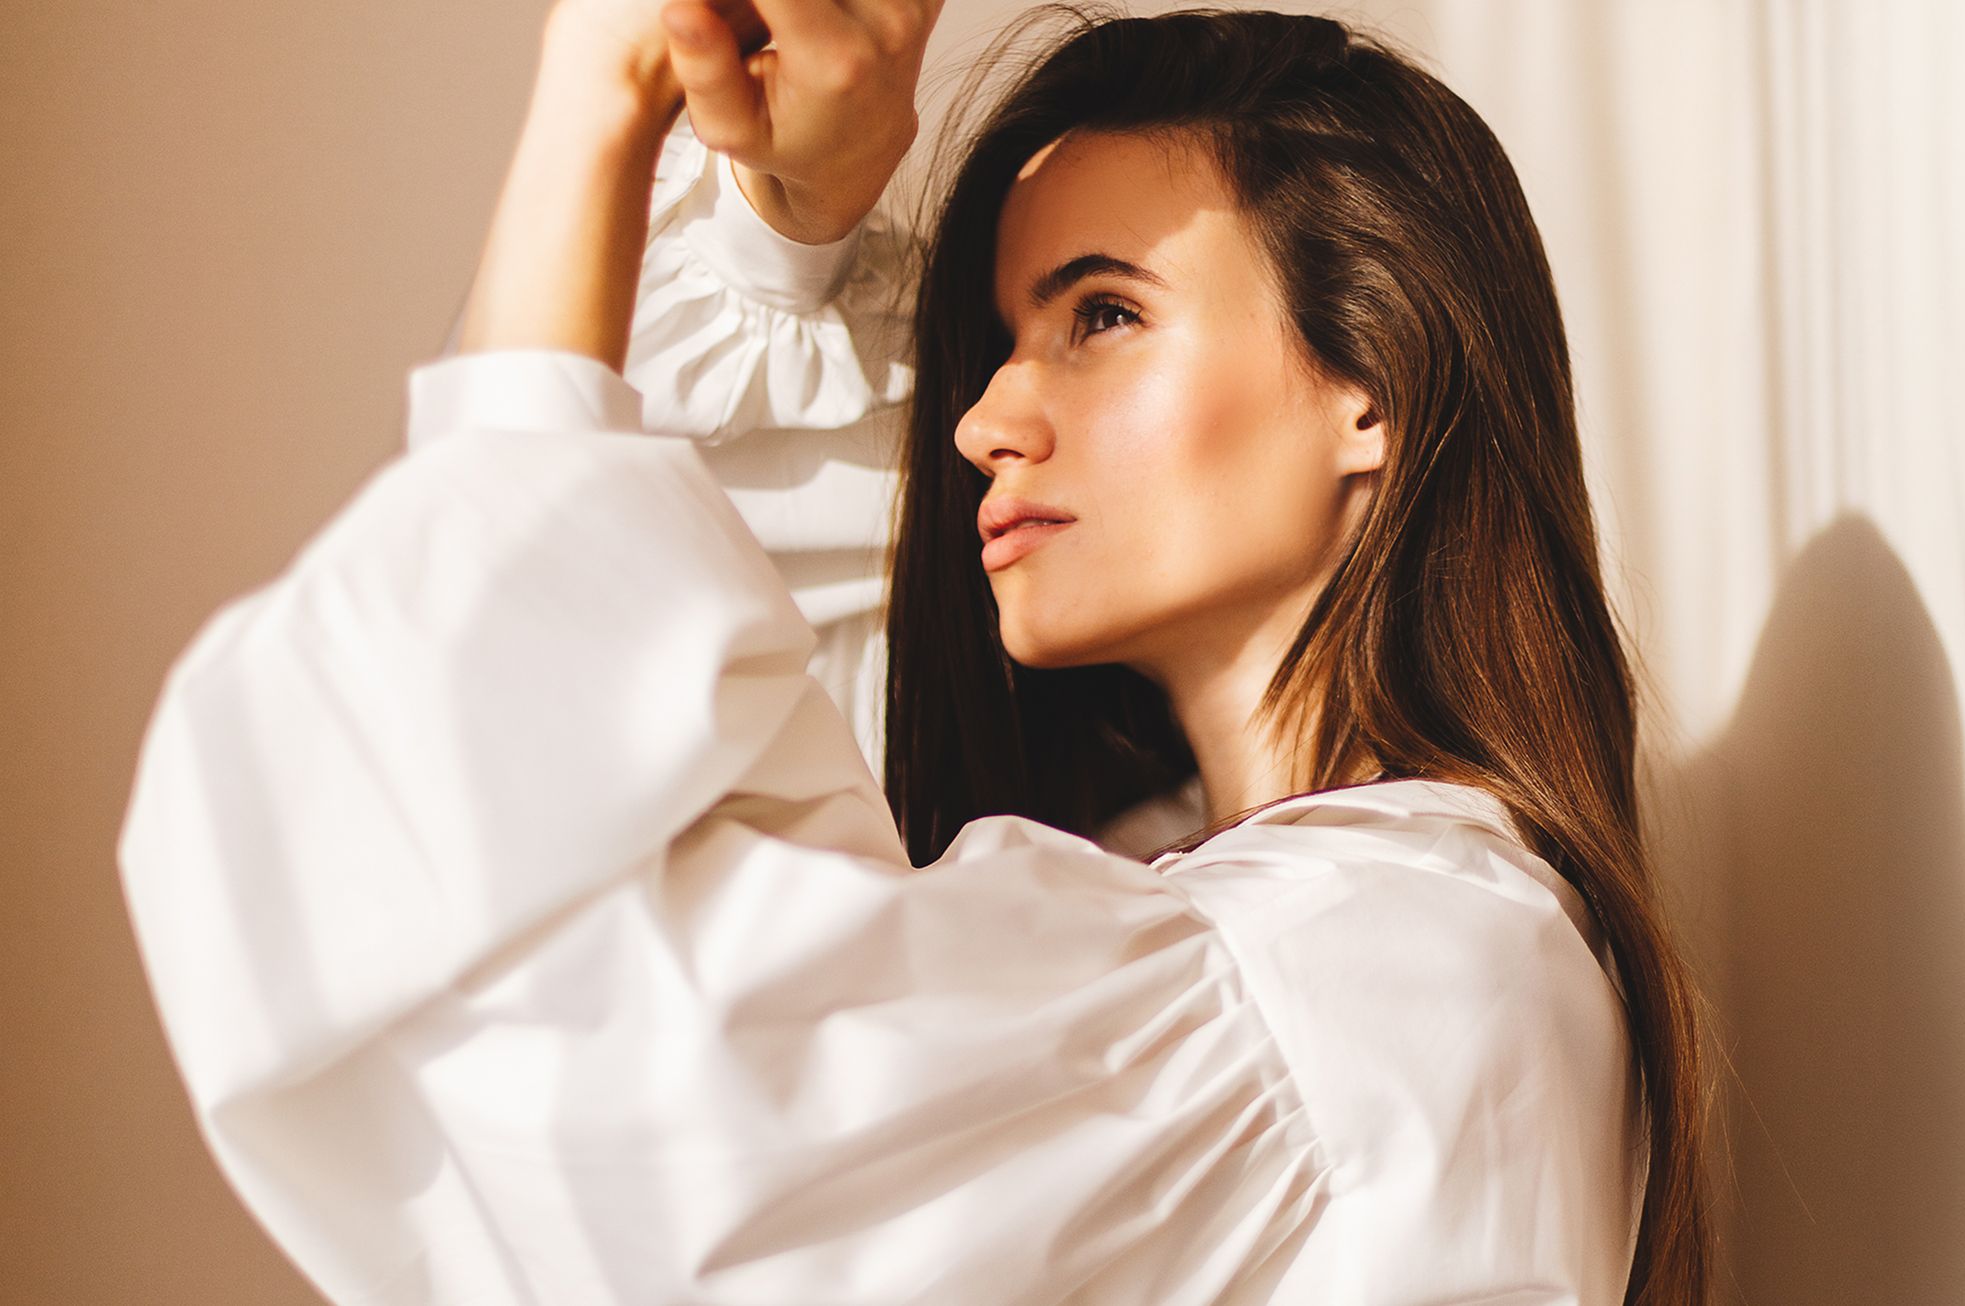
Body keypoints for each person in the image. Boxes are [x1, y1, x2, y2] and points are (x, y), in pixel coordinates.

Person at [117, 1, 1715, 1301]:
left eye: (1100, 316)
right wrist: (781, 222)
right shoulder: (1316, 931)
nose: (981, 418)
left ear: (1372, 381)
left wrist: (607, 104)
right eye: (1003, 338)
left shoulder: (1382, 962)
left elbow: (572, 960)